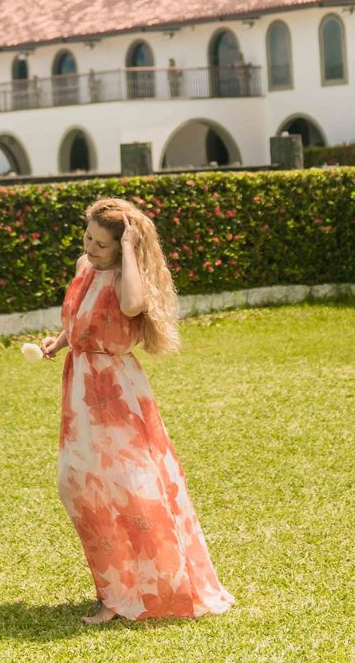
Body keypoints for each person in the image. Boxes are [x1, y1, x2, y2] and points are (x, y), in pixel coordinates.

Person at [40, 197, 236, 625]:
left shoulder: (129, 277)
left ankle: (132, 593)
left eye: (102, 244)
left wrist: (129, 249)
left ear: (122, 246)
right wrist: (59, 342)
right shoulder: (84, 267)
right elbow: (80, 319)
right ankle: (115, 587)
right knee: (78, 486)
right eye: (88, 237)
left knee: (126, 491)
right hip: (81, 388)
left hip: (116, 391)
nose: (90, 248)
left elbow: (130, 307)